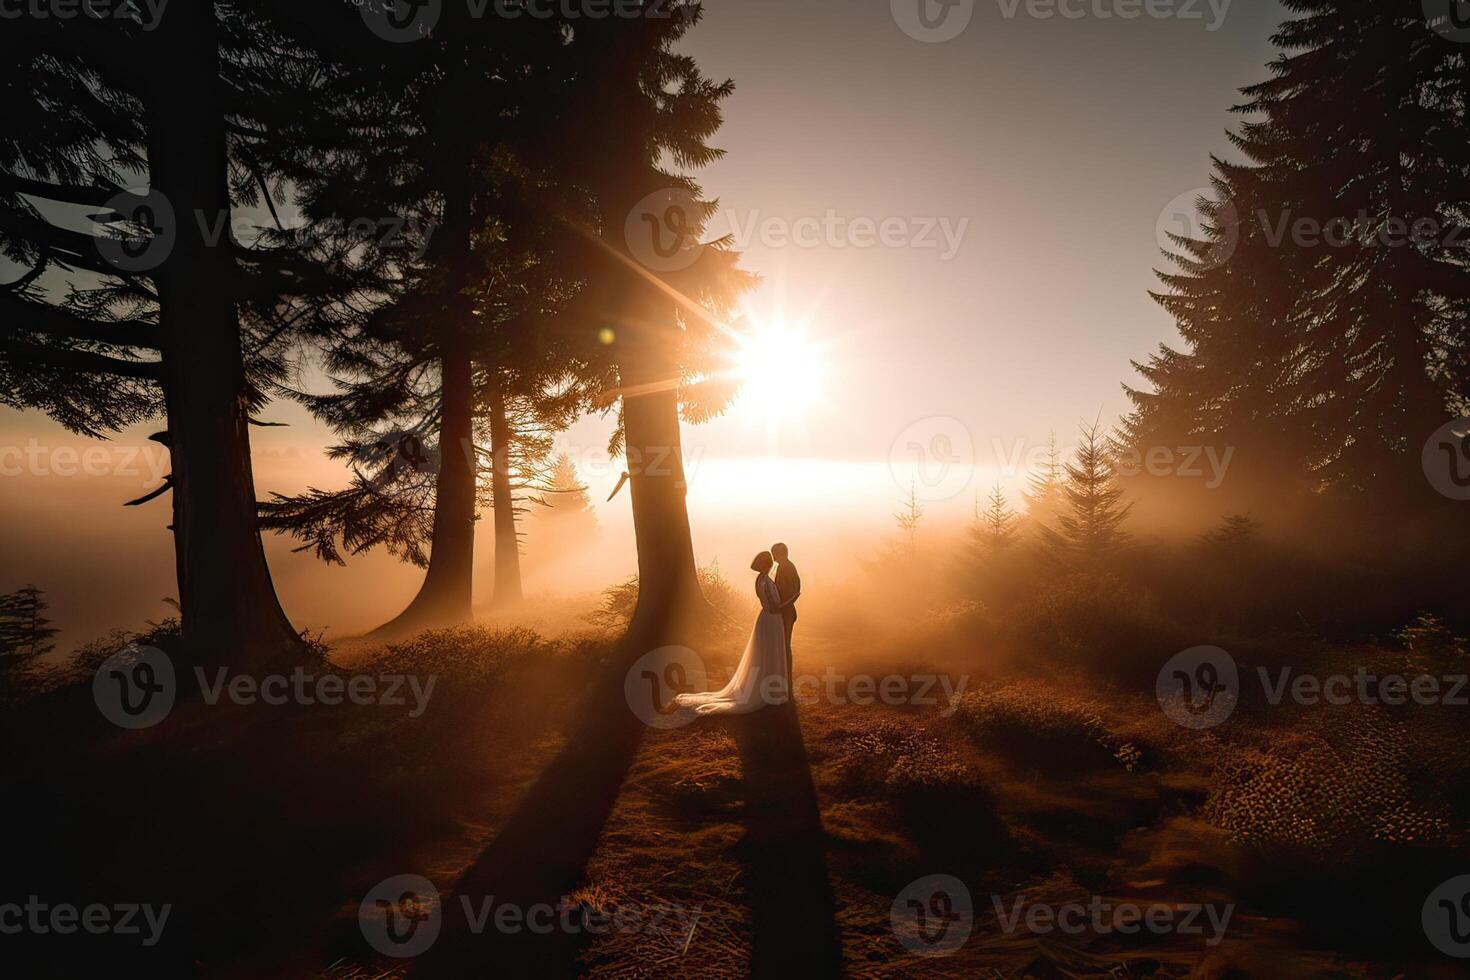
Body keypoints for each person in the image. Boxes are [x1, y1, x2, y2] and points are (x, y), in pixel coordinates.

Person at [674, 551, 789, 715]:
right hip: (772, 619)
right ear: (767, 564)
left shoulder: (759, 580)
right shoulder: (767, 582)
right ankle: (771, 690)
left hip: (764, 618)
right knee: (771, 651)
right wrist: (789, 601)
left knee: (764, 653)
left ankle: (767, 686)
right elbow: (773, 606)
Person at [772, 542, 800, 692]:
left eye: (774, 552)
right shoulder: (783, 566)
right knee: (783, 643)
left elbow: (796, 590)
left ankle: (787, 676)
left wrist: (783, 606)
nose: (773, 556)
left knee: (786, 644)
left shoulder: (788, 567)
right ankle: (784, 675)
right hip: (784, 610)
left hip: (787, 611)